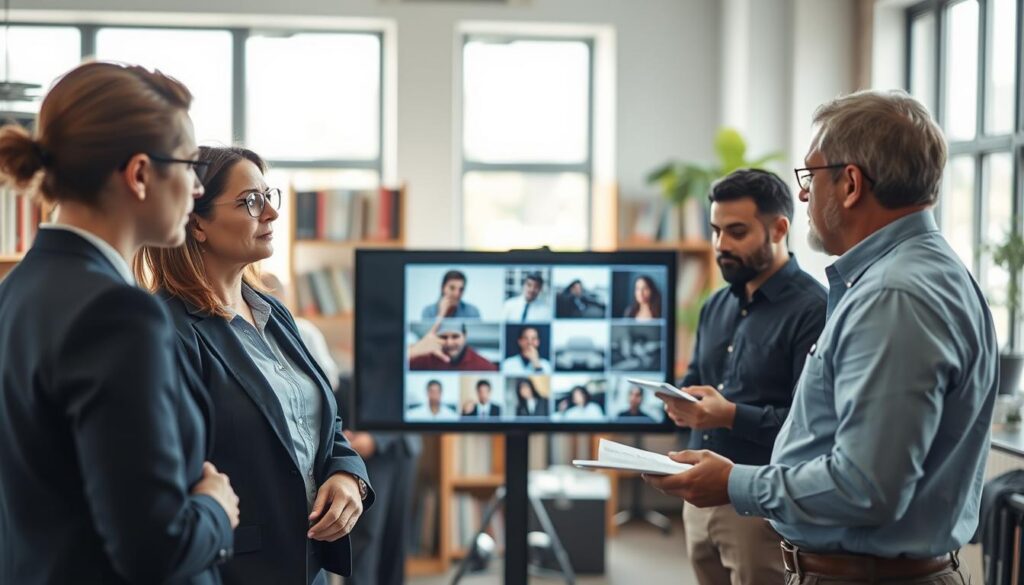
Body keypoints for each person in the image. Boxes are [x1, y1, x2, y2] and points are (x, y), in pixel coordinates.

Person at [647, 90, 997, 585]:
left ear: (850, 184)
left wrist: (734, 482)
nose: (804, 195)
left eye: (810, 176)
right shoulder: (915, 275)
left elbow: (865, 486)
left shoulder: (893, 296)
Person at [0, 62, 238, 585]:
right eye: (190, 166)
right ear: (139, 174)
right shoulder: (118, 315)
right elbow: (155, 548)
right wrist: (217, 510)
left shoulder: (16, 291)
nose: (198, 189)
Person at [135, 146, 374, 585]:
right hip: (235, 570)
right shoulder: (166, 330)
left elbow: (321, 421)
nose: (271, 213)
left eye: (268, 196)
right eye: (250, 201)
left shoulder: (273, 312)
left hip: (308, 567)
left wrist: (347, 473)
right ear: (198, 223)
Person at [655, 168, 826, 585]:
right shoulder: (715, 306)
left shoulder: (814, 310)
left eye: (736, 232)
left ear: (779, 229)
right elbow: (696, 379)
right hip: (697, 500)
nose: (720, 245)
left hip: (758, 506)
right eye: (715, 231)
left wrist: (729, 415)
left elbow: (810, 429)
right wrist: (680, 403)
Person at [408, 320, 498, 371]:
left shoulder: (485, 367)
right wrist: (413, 351)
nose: (449, 343)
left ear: (465, 336)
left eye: (455, 336)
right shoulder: (421, 360)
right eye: (443, 337)